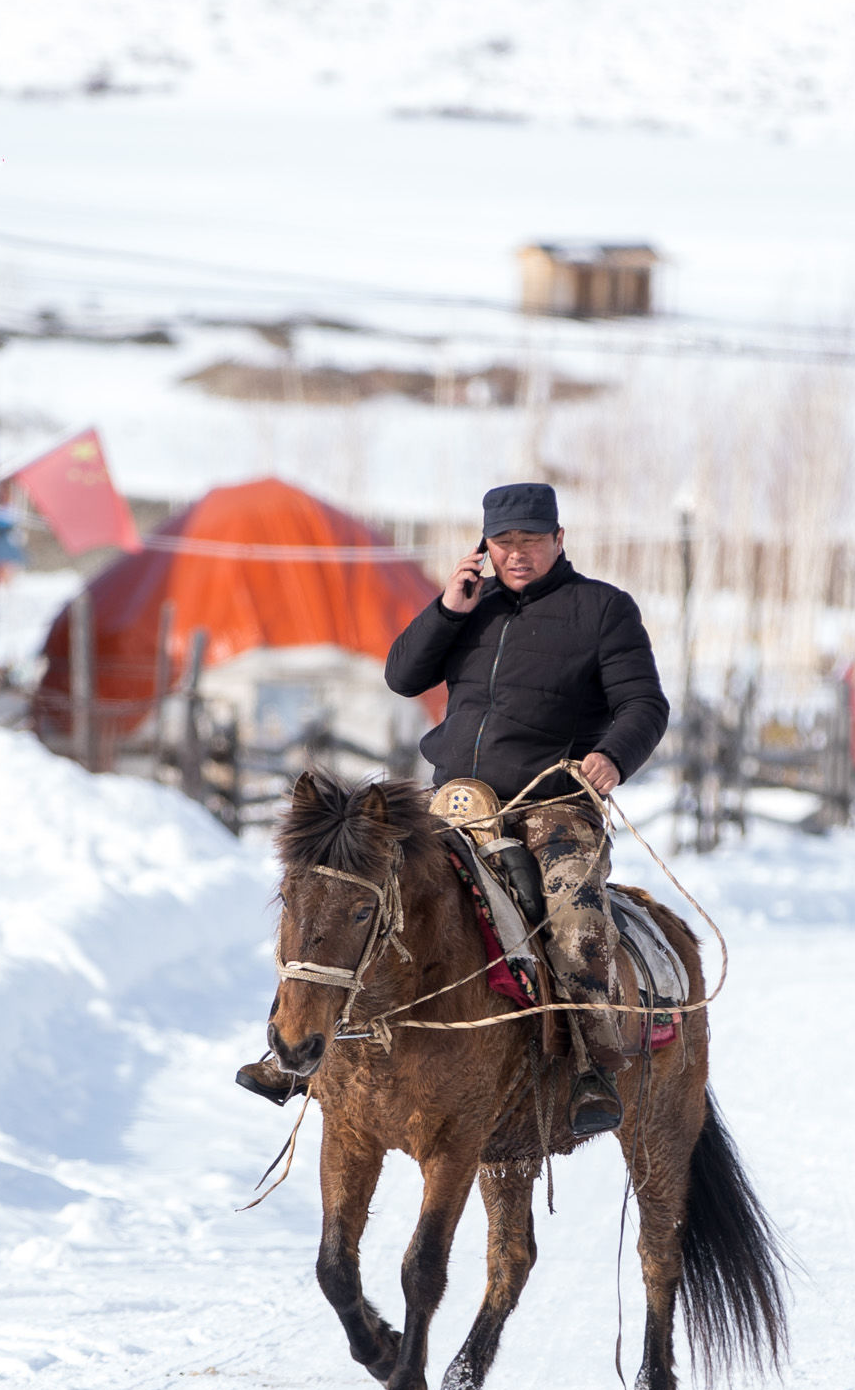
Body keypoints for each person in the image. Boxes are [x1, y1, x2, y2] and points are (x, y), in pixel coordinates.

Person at [239, 482, 669, 1137]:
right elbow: (402, 676)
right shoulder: (470, 606)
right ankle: (293, 1048)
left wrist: (613, 755)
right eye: (503, 542)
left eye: (530, 540)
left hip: (552, 806)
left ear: (559, 539)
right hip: (453, 804)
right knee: (351, 896)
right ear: (484, 547)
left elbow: (645, 704)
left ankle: (591, 1066)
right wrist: (447, 607)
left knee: (574, 919)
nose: (516, 554)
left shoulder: (602, 610)